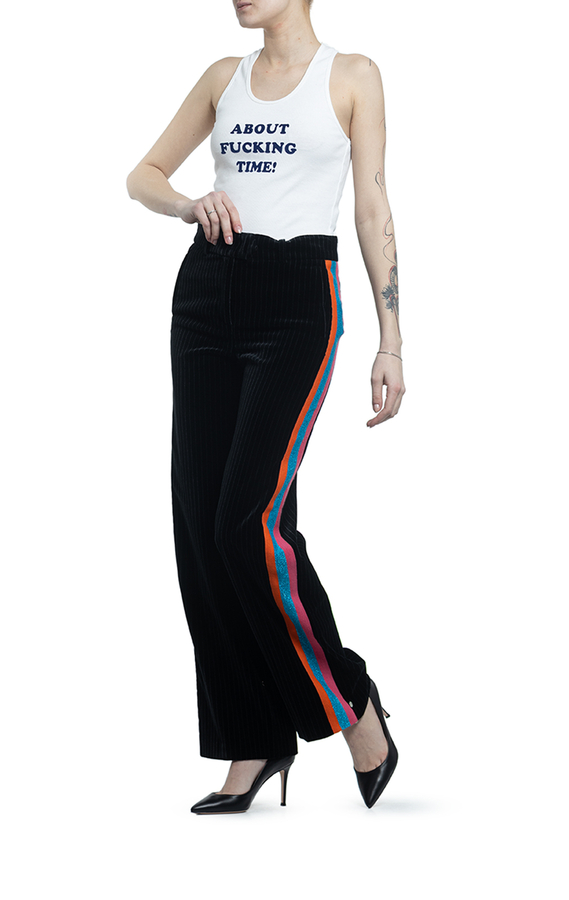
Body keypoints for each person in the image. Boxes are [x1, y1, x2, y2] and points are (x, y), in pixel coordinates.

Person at [126, 0, 406, 813]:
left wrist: (391, 339)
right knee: (200, 528)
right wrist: (188, 203)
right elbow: (142, 174)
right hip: (207, 292)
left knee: (247, 523)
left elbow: (373, 208)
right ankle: (250, 739)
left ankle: (351, 704)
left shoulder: (352, 76)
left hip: (295, 302)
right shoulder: (225, 77)